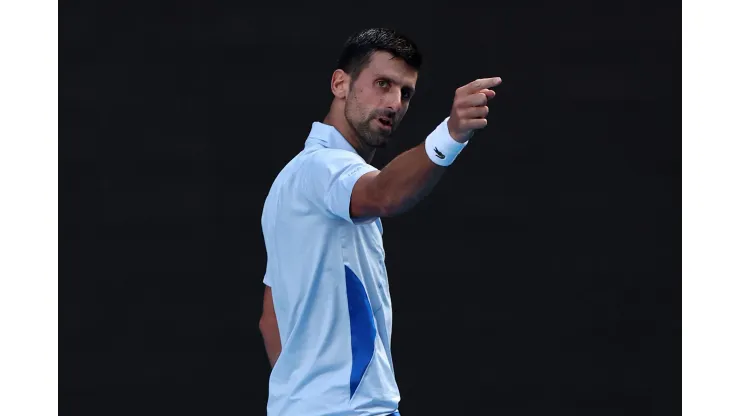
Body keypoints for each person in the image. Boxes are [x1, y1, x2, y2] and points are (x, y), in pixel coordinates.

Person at [258, 27, 502, 416]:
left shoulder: (288, 183)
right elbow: (385, 194)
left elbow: (271, 317)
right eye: (382, 84)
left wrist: (304, 397)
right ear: (340, 83)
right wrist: (451, 134)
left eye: (405, 92)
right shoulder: (323, 167)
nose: (394, 102)